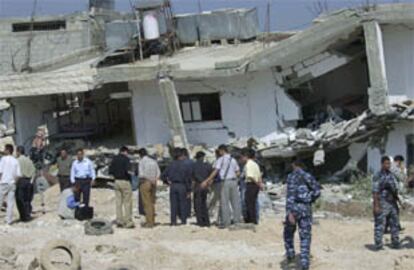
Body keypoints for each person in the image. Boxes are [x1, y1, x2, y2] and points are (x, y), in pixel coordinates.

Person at [284, 160, 321, 270]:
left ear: (295, 165)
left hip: (293, 209)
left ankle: (290, 255)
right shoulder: (308, 176)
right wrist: (308, 199)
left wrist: (289, 212)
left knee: (288, 233)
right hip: (305, 209)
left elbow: (289, 196)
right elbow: (317, 191)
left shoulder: (290, 177)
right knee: (305, 236)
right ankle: (304, 263)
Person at [203, 144, 242, 228]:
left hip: (225, 182)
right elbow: (238, 172)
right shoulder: (233, 160)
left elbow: (215, 171)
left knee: (224, 202)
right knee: (235, 202)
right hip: (234, 182)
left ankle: (226, 222)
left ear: (222, 150)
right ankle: (237, 220)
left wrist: (208, 180)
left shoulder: (221, 159)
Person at [372, 156, 400, 250]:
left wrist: (396, 200)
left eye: (389, 164)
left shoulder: (391, 175)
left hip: (392, 202)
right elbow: (375, 192)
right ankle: (378, 244)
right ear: (382, 164)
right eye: (386, 163)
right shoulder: (378, 175)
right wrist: (376, 205)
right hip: (382, 202)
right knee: (380, 223)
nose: (388, 165)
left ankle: (395, 242)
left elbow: (395, 188)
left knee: (395, 223)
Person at [161, 148, 192, 226]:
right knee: (182, 203)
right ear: (180, 156)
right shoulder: (185, 166)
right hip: (182, 185)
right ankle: (183, 220)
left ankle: (173, 221)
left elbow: (163, 176)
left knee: (173, 204)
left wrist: (167, 182)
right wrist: (189, 190)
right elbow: (187, 178)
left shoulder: (170, 165)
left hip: (173, 185)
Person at [109, 146, 134, 228]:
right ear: (125, 151)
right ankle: (128, 221)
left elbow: (110, 171)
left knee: (118, 202)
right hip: (125, 181)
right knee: (127, 202)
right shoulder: (126, 159)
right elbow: (128, 171)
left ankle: (119, 220)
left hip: (116, 181)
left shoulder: (114, 159)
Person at [138, 148, 160, 228]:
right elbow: (158, 173)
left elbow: (141, 174)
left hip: (145, 182)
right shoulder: (153, 161)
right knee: (152, 202)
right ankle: (153, 220)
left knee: (146, 203)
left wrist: (148, 180)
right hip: (154, 183)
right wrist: (154, 180)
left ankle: (149, 222)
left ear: (140, 154)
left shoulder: (142, 162)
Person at [239, 148, 263, 224]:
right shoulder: (255, 164)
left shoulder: (248, 164)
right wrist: (260, 184)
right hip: (255, 186)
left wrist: (257, 184)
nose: (241, 159)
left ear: (246, 156)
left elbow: (250, 176)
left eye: (242, 157)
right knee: (253, 203)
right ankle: (254, 220)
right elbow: (259, 176)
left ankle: (251, 221)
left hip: (251, 184)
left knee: (249, 204)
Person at [0, 144, 21, 225]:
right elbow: (18, 175)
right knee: (10, 202)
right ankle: (9, 220)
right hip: (12, 183)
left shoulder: (3, 159)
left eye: (5, 149)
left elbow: (0, 172)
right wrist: (14, 182)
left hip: (3, 182)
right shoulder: (15, 160)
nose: (4, 151)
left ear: (8, 150)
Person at [15, 146, 36, 222]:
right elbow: (34, 171)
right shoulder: (29, 160)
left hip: (20, 181)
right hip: (28, 181)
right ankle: (27, 215)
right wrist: (31, 182)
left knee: (20, 200)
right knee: (27, 199)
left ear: (18, 152)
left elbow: (16, 173)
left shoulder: (17, 161)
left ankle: (23, 217)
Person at [192, 151, 212, 227]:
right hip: (206, 186)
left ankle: (200, 222)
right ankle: (206, 221)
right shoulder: (208, 165)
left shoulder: (194, 165)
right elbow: (211, 175)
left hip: (198, 186)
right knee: (204, 204)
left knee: (197, 204)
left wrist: (201, 181)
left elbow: (194, 175)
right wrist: (206, 182)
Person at [208, 149, 223, 224]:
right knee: (221, 201)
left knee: (213, 200)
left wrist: (209, 180)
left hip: (217, 183)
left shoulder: (216, 162)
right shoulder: (225, 161)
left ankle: (212, 215)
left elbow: (214, 173)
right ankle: (219, 217)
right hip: (223, 183)